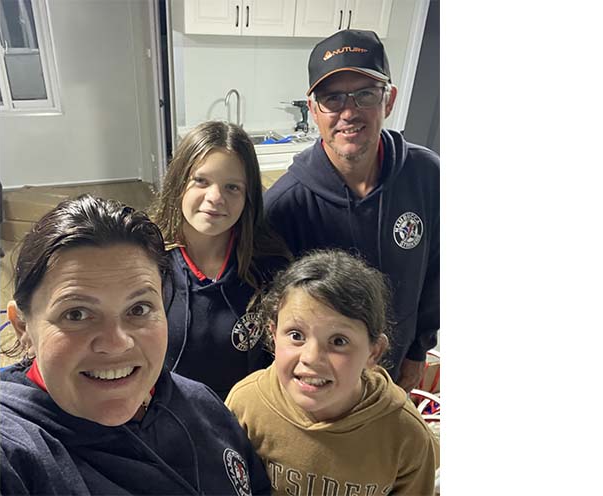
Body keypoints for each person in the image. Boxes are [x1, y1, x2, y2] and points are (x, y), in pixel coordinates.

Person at [0, 194, 271, 495]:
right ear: (22, 326)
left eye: (139, 309)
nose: (117, 343)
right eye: (76, 314)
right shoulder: (11, 453)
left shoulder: (201, 405)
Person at [263, 29, 439, 392]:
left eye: (365, 95)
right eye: (332, 98)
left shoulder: (428, 176)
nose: (348, 112)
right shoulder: (284, 207)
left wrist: (419, 349)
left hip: (395, 372)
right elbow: (274, 314)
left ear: (389, 100)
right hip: (318, 382)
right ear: (313, 110)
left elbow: (437, 270)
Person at [226, 249, 439, 496]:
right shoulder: (246, 405)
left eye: (338, 341)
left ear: (374, 352)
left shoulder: (406, 435)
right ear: (273, 336)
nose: (311, 358)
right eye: (296, 335)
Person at [150, 121, 291, 399]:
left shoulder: (270, 266)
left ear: (249, 196)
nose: (215, 197)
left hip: (243, 415)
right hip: (165, 414)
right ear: (179, 183)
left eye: (232, 187)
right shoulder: (149, 261)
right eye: (201, 181)